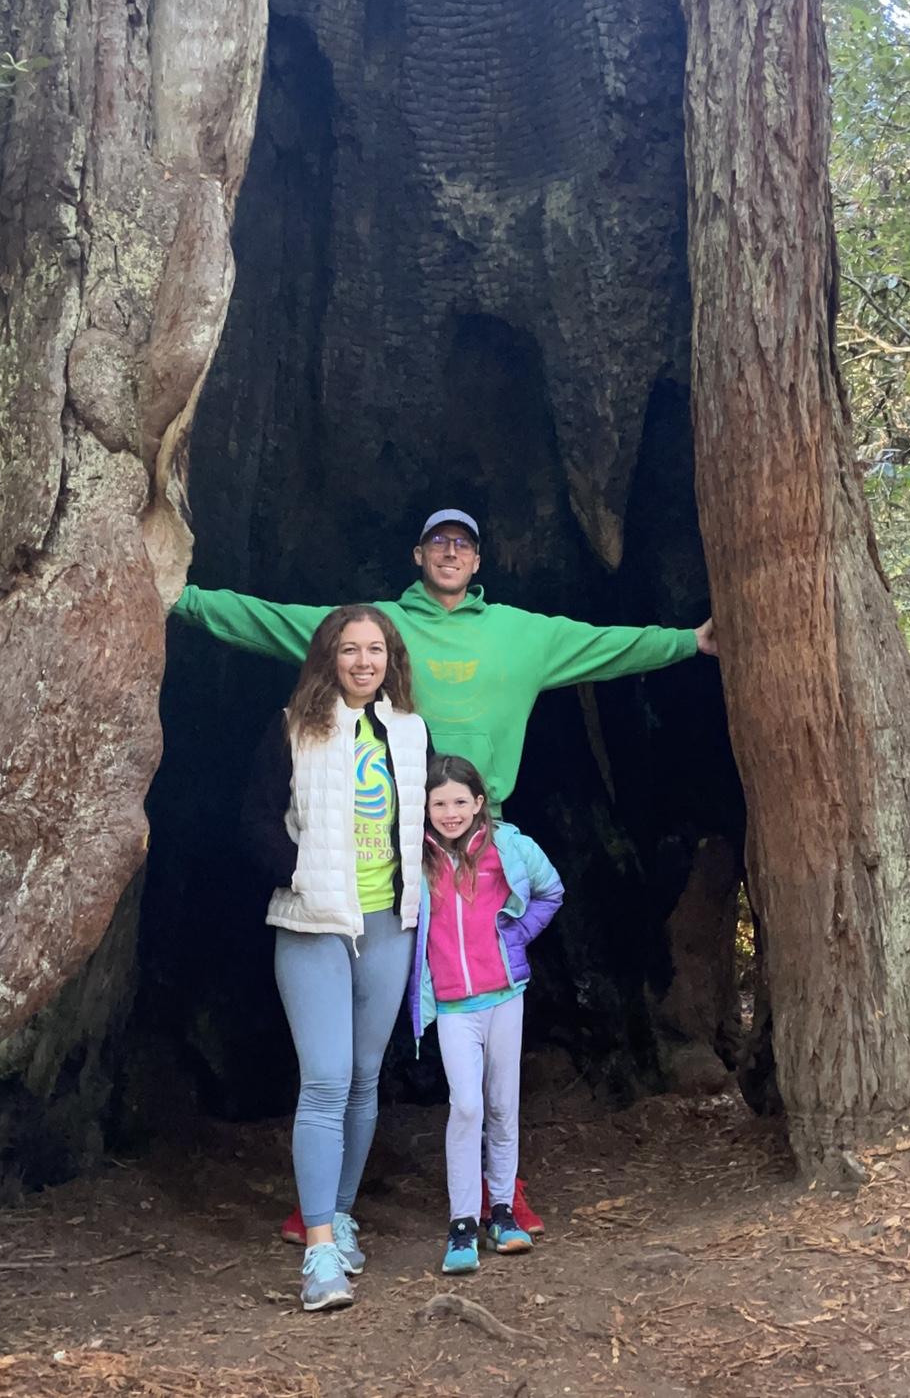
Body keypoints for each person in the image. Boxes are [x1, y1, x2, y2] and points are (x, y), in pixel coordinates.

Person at [176, 507, 717, 1237]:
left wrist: (690, 641)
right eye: (439, 542)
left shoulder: (523, 634)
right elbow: (270, 621)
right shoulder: (377, 633)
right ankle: (324, 1207)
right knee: (351, 1057)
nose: (451, 553)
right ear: (418, 555)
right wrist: (179, 598)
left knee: (486, 1019)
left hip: (481, 856)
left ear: (479, 559)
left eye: (463, 543)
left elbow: (605, 645)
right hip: (398, 853)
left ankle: (501, 1190)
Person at [240, 605, 430, 1312]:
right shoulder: (292, 726)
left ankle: (342, 1213)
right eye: (349, 649)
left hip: (387, 924)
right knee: (324, 1079)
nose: (363, 661)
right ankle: (319, 1249)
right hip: (313, 924)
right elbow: (255, 819)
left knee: (362, 1078)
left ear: (391, 659)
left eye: (375, 649)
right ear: (329, 657)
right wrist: (299, 873)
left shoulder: (409, 731)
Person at [409, 754, 564, 1274]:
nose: (450, 813)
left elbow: (550, 890)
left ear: (479, 803)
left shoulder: (508, 847)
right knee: (467, 1106)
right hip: (454, 1005)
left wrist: (515, 935)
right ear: (425, 807)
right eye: (439, 804)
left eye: (460, 801)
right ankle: (461, 1224)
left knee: (501, 1105)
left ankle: (501, 1212)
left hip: (504, 996)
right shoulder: (415, 857)